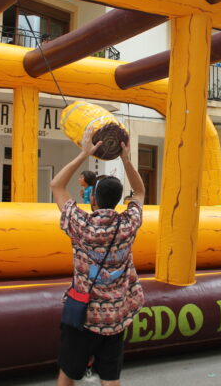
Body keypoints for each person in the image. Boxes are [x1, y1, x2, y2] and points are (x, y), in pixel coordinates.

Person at [50, 127, 145, 386]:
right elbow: (139, 192)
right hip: (115, 318)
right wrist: (125, 159)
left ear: (92, 198)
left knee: (68, 374)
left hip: (83, 317)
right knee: (110, 377)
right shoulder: (128, 224)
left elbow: (56, 185)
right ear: (117, 201)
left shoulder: (80, 224)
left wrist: (83, 154)